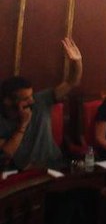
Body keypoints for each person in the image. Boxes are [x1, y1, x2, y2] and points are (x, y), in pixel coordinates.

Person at [0, 37, 83, 170]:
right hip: (21, 172)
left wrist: (77, 62)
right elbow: (5, 155)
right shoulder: (3, 121)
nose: (32, 100)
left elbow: (71, 82)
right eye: (25, 98)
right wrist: (22, 125)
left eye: (31, 96)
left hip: (54, 165)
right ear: (8, 101)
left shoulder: (40, 101)